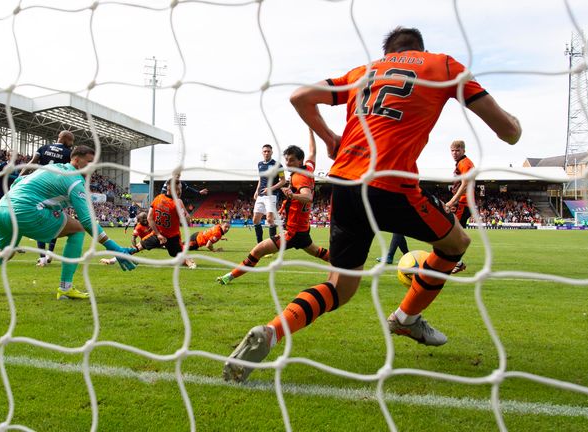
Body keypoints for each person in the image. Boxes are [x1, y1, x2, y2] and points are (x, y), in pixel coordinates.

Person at [223, 27, 522, 383]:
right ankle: (406, 318)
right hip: (391, 184)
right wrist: (516, 127)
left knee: (340, 288)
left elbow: (300, 97)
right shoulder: (442, 65)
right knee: (457, 242)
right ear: (419, 48)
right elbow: (508, 132)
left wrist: (331, 137)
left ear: (387, 51)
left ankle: (272, 331)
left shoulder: (362, 72)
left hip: (345, 185)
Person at [0, 145, 137, 300]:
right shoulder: (74, 180)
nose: (92, 167)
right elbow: (86, 220)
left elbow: (17, 182)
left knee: (4, 254)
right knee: (77, 229)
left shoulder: (50, 167)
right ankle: (65, 288)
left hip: (2, 210)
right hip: (26, 212)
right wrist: (114, 248)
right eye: (88, 162)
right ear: (75, 160)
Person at [217, 130, 329, 285]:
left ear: (299, 161)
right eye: (286, 159)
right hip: (302, 229)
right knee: (317, 252)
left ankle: (229, 277)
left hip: (293, 232)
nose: (287, 163)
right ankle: (347, 265)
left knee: (258, 250)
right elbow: (312, 151)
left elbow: (308, 197)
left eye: (291, 160)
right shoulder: (308, 168)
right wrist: (310, 129)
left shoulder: (299, 177)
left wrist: (292, 196)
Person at [20, 130, 75, 266]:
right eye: (71, 141)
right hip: (57, 190)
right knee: (55, 219)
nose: (72, 144)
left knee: (40, 221)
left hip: (39, 187)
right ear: (65, 139)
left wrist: (20, 179)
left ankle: (43, 257)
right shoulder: (69, 153)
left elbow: (31, 164)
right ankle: (49, 253)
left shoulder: (43, 148)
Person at [130, 180, 196, 269]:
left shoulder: (158, 198)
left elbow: (150, 218)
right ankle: (116, 258)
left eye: (180, 188)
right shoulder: (177, 202)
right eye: (177, 189)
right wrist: (186, 211)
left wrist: (158, 234)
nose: (180, 191)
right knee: (139, 246)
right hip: (171, 236)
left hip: (160, 234)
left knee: (138, 247)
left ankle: (118, 257)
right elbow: (187, 221)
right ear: (169, 188)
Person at [445, 140, 475, 274]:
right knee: (453, 232)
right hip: (461, 203)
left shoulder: (465, 163)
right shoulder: (461, 163)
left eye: (457, 150)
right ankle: (454, 262)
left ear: (463, 150)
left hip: (462, 203)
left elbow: (466, 184)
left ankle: (456, 262)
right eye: (452, 150)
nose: (454, 153)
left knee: (452, 233)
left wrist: (452, 201)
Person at [252, 144, 286, 244]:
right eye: (265, 151)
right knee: (255, 220)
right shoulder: (259, 164)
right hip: (261, 195)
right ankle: (260, 244)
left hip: (272, 195)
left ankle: (272, 245)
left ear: (272, 152)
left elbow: (283, 181)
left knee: (270, 220)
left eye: (268, 151)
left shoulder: (278, 165)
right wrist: (256, 191)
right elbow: (260, 178)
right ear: (262, 152)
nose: (266, 153)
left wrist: (271, 188)